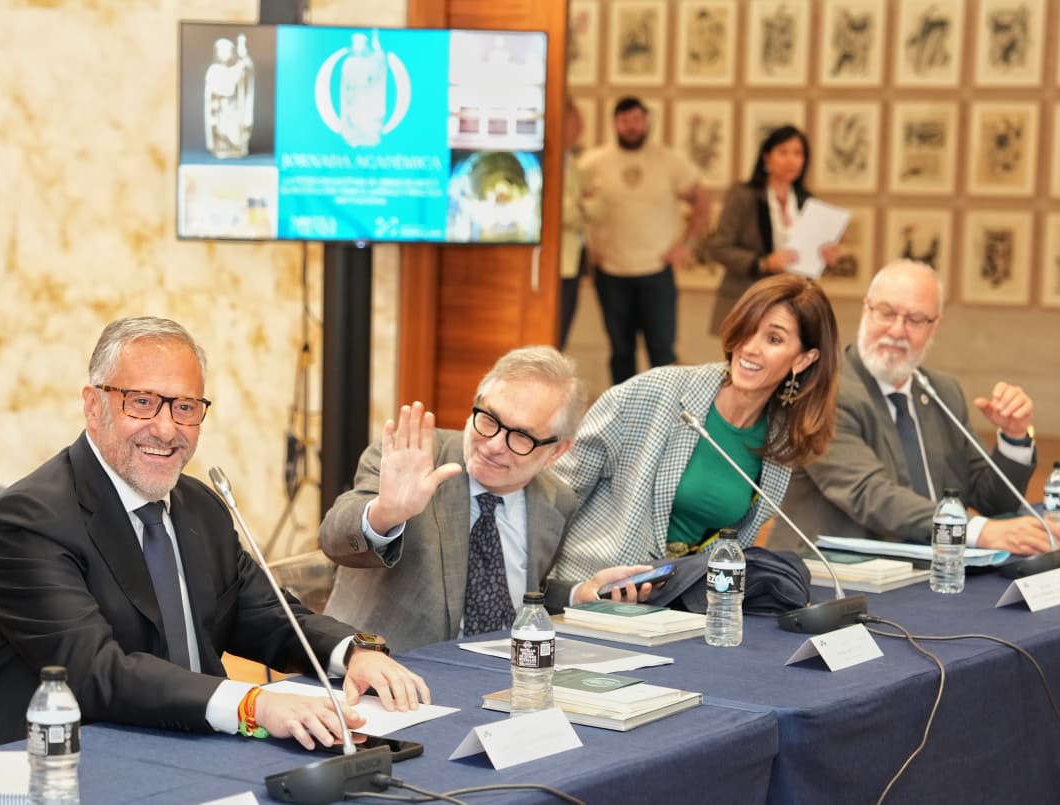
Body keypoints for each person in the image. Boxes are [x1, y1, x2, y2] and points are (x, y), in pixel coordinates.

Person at [0, 317, 430, 751]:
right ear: (93, 406)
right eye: (142, 403)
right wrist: (254, 705)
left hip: (184, 747)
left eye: (185, 408)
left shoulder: (199, 506)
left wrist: (352, 651)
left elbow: (265, 615)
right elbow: (96, 673)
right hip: (43, 766)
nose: (166, 428)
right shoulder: (28, 521)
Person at [320, 347, 658, 651]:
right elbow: (334, 540)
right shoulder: (413, 460)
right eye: (489, 419)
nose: (494, 445)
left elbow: (520, 590)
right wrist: (385, 513)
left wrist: (577, 594)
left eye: (521, 436)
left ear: (556, 451)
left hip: (500, 675)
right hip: (387, 669)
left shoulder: (557, 500)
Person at [547, 274, 840, 588]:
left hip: (681, 598)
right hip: (594, 586)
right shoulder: (652, 392)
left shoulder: (781, 441)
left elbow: (735, 544)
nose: (750, 348)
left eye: (774, 339)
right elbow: (555, 495)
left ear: (803, 359)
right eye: (749, 328)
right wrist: (554, 589)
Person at [775, 260, 1056, 554]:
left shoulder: (943, 392)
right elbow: (868, 495)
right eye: (886, 313)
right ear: (865, 310)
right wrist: (974, 530)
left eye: (915, 319)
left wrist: (1014, 437)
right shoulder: (823, 392)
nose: (897, 331)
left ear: (935, 325)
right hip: (835, 569)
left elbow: (994, 502)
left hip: (935, 566)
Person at [578, 96, 709, 385]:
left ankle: (664, 410)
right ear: (615, 124)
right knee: (620, 351)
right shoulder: (593, 163)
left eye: (637, 119)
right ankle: (622, 410)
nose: (632, 126)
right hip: (611, 272)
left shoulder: (670, 161)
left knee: (662, 352)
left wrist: (686, 246)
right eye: (625, 120)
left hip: (656, 272)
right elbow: (574, 208)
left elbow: (702, 202)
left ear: (647, 122)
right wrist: (588, 249)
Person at [704, 125, 840, 335]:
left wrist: (826, 259)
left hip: (793, 303)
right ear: (766, 157)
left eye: (798, 153)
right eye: (783, 152)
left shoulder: (808, 201)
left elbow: (809, 261)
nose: (791, 160)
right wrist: (763, 262)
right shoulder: (743, 195)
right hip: (748, 298)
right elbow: (718, 247)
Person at [558, 98, 587, 349]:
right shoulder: (551, 161)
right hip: (555, 266)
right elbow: (561, 212)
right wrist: (586, 209)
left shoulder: (572, 162)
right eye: (576, 122)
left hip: (572, 262)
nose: (581, 129)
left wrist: (583, 208)